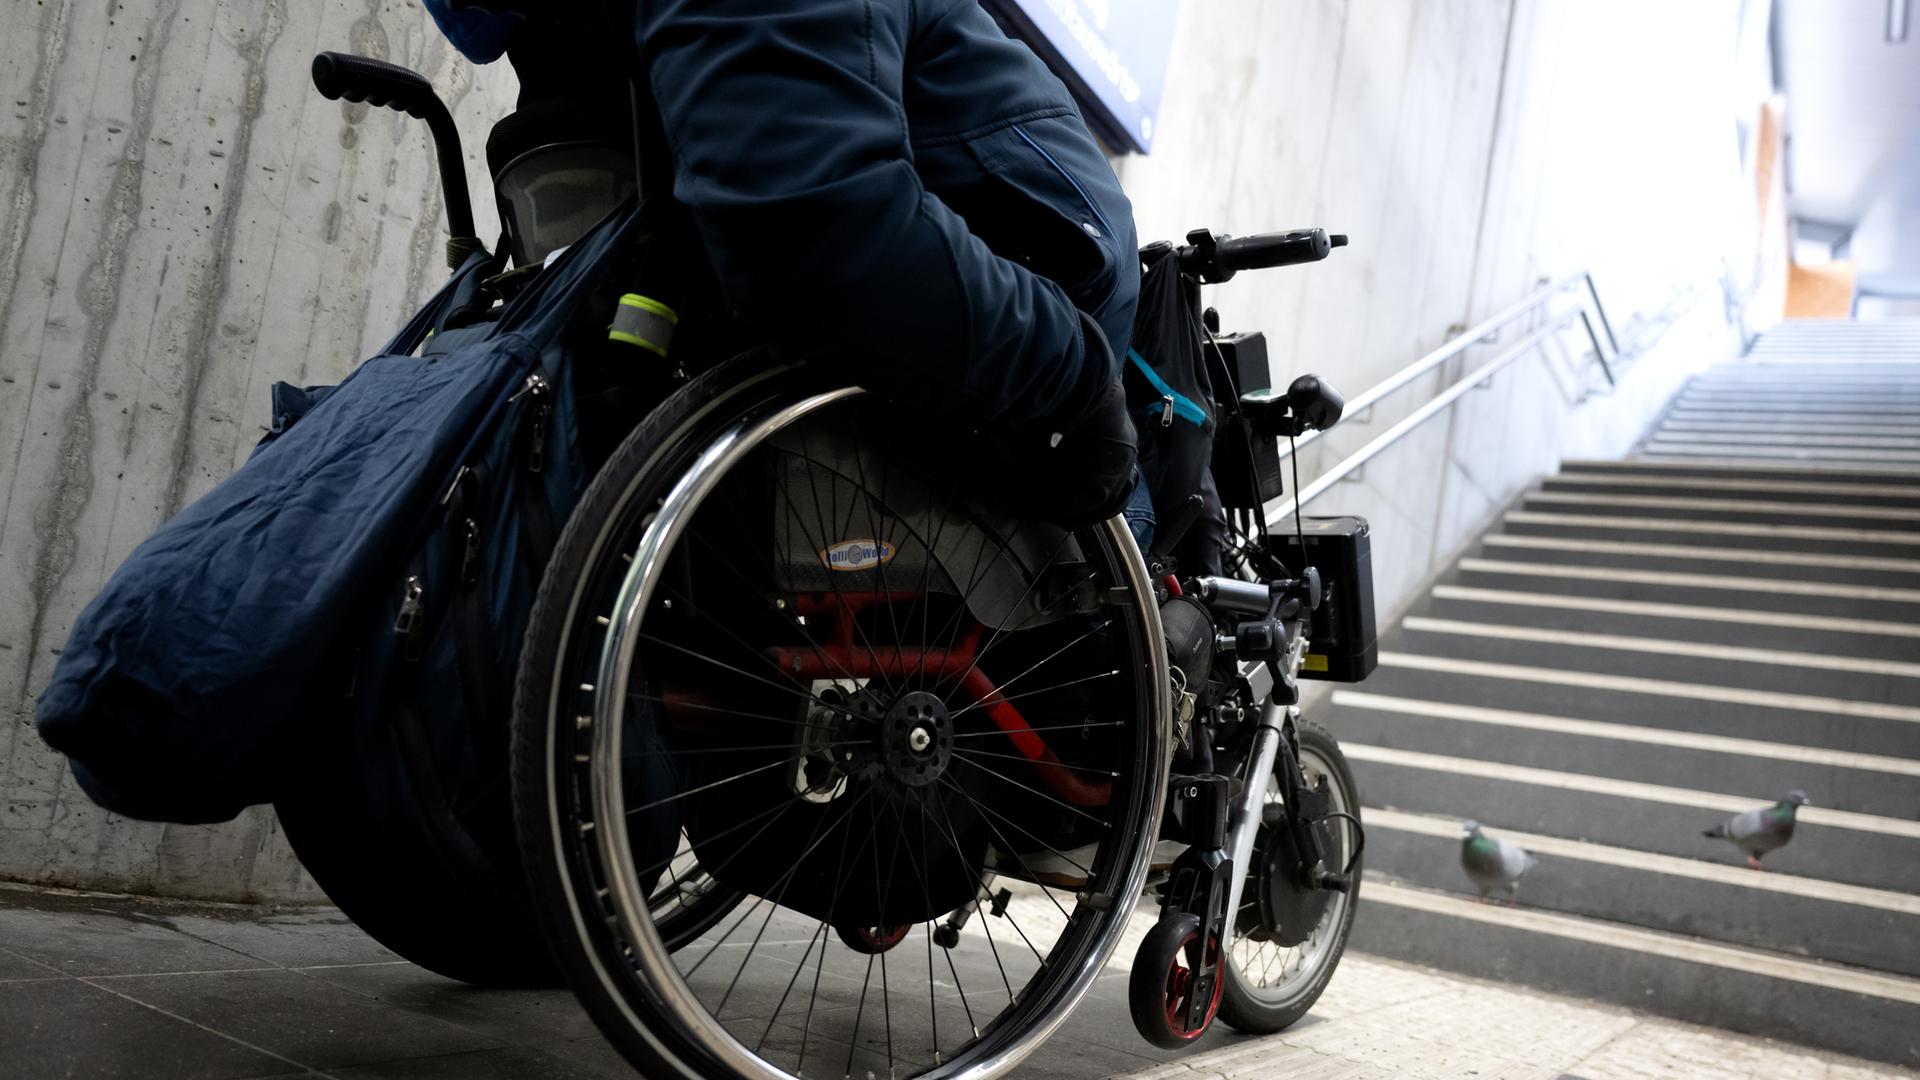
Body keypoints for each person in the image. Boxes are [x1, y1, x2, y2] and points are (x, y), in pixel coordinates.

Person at [423, 0, 1143, 529]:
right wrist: (1073, 376)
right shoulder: (582, 38)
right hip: (1026, 370)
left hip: (1023, 329)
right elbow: (818, 232)